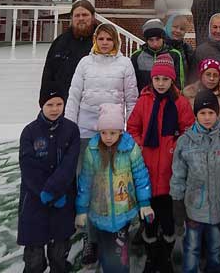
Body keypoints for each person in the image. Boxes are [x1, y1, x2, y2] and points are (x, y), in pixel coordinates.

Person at [65, 22, 138, 265]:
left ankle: (118, 228)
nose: (105, 43)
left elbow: (131, 98)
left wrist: (129, 130)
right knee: (88, 182)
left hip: (114, 133)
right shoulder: (85, 63)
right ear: (96, 40)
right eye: (101, 39)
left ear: (115, 41)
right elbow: (74, 95)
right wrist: (69, 127)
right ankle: (90, 238)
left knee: (115, 181)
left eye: (109, 39)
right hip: (86, 130)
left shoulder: (125, 63)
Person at [127, 53, 195, 272]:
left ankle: (165, 256)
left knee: (167, 220)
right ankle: (151, 256)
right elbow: (133, 127)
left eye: (165, 79)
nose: (161, 83)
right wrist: (140, 145)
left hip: (169, 173)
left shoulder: (180, 103)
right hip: (145, 171)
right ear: (152, 80)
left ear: (172, 80)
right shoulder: (144, 101)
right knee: (149, 220)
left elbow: (188, 129)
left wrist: (176, 145)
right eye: (157, 79)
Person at [75, 103, 154, 273]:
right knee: (106, 255)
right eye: (104, 132)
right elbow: (86, 180)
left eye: (112, 132)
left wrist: (145, 202)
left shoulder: (130, 149)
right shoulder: (93, 151)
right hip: (100, 213)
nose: (108, 137)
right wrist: (81, 209)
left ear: (120, 131)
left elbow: (141, 175)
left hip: (122, 213)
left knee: (120, 255)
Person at [170, 89, 220, 273]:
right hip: (194, 210)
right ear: (196, 114)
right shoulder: (185, 142)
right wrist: (177, 203)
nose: (207, 117)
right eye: (202, 113)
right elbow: (178, 176)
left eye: (211, 113)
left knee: (216, 250)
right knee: (192, 249)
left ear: (217, 113)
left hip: (219, 209)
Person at [17, 84, 80, 273]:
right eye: (50, 104)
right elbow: (28, 168)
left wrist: (54, 190)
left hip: (62, 200)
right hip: (35, 202)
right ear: (41, 105)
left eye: (59, 104)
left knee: (59, 255)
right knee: (34, 260)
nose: (55, 109)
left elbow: (69, 164)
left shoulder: (71, 130)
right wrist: (44, 191)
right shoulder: (29, 132)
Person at [40, 0, 97, 102]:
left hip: (93, 105)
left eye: (85, 15)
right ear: (71, 18)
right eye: (77, 15)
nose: (81, 18)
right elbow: (48, 73)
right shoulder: (60, 43)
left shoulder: (102, 41)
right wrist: (45, 101)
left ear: (93, 17)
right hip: (64, 103)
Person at [131, 18, 185, 92]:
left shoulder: (174, 54)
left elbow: (179, 80)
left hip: (169, 98)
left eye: (158, 39)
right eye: (151, 40)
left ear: (163, 38)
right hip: (144, 98)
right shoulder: (136, 56)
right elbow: (133, 81)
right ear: (146, 40)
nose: (155, 43)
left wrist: (177, 97)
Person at [164, 13, 194, 81]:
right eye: (175, 27)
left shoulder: (186, 49)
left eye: (182, 29)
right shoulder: (160, 46)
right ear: (168, 26)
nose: (178, 31)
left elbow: (192, 72)